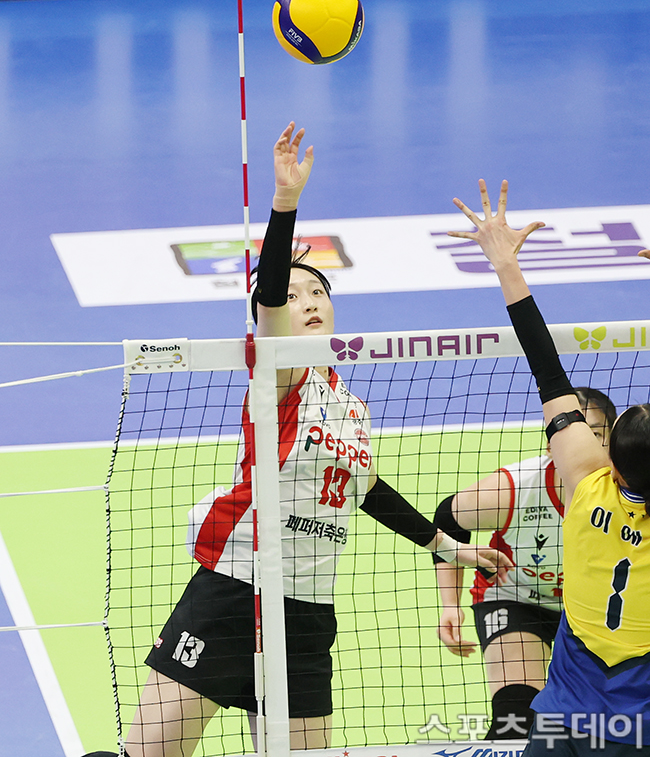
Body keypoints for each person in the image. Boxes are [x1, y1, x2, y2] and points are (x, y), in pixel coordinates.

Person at [83, 127, 512, 757]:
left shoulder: (351, 407)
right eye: (293, 295)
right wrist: (285, 202)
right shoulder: (281, 377)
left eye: (318, 292)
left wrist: (449, 547)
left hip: (309, 609)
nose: (308, 302)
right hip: (237, 590)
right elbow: (268, 305)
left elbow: (365, 489)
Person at [448, 178, 650, 754]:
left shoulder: (585, 483)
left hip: (564, 715)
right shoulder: (591, 476)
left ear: (611, 460)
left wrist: (506, 265)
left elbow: (547, 367)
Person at [435, 387, 616, 740]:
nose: (580, 447)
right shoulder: (515, 488)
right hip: (515, 598)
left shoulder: (630, 489)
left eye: (594, 435)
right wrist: (449, 604)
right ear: (550, 446)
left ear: (614, 441)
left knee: (606, 724)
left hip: (596, 611)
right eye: (567, 436)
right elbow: (448, 519)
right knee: (516, 718)